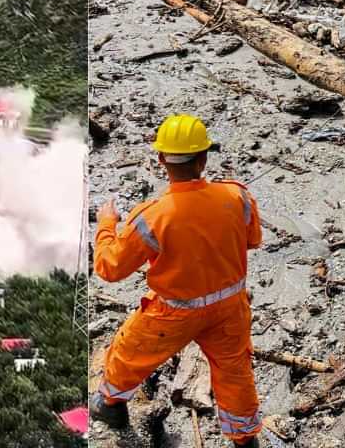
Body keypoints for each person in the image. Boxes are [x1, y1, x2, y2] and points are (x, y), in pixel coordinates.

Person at [89, 114, 264, 446]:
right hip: (230, 308)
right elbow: (252, 240)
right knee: (235, 374)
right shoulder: (237, 196)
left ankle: (110, 406)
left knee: (128, 351)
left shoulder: (153, 216)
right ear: (204, 157)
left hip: (173, 313)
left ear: (160, 160)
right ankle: (245, 439)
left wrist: (106, 225)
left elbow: (110, 268)